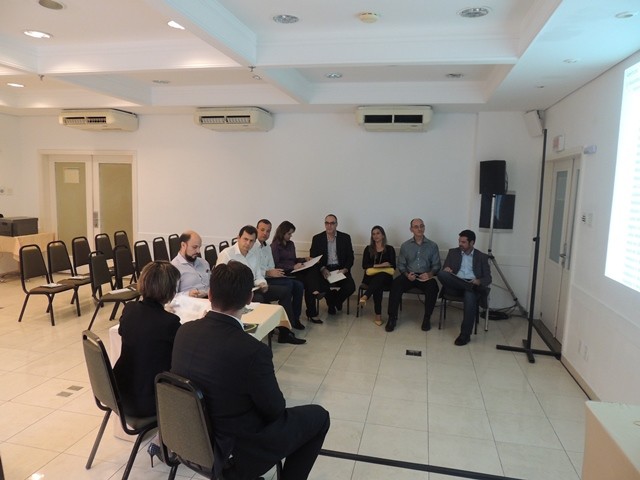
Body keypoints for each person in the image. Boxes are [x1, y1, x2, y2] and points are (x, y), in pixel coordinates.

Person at [171, 262, 330, 480]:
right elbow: (275, 410)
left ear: (210, 294)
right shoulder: (252, 350)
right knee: (319, 417)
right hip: (232, 453)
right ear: (249, 298)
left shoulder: (184, 332)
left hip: (189, 440)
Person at [113, 260, 181, 417]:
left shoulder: (129, 309)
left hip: (119, 392)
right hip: (149, 401)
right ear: (170, 290)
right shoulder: (169, 322)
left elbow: (125, 332)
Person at [217, 225, 305, 345]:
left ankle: (285, 333)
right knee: (259, 298)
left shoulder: (253, 255)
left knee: (285, 291)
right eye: (245, 239)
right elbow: (219, 279)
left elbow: (258, 275)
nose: (248, 243)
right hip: (237, 292)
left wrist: (262, 283)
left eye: (251, 241)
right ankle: (256, 334)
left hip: (254, 288)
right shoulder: (227, 254)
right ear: (238, 238)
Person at [437, 229, 491, 346]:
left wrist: (478, 281)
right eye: (459, 241)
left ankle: (465, 335)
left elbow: (488, 278)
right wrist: (447, 269)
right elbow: (445, 269)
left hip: (472, 285)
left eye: (463, 242)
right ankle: (469, 287)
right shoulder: (453, 252)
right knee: (441, 274)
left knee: (470, 295)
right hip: (455, 285)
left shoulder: (481, 257)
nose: (460, 244)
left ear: (472, 243)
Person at [386, 218, 441, 332]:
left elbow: (437, 265)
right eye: (416, 227)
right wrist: (407, 275)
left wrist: (430, 274)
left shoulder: (432, 246)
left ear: (424, 227)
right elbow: (401, 265)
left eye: (421, 226)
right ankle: (392, 318)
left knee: (433, 287)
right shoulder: (405, 246)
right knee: (395, 284)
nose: (419, 229)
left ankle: (427, 318)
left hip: (425, 276)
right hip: (409, 275)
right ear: (411, 229)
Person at [254, 219, 305, 330]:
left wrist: (274, 272)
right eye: (262, 230)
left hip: (269, 277)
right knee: (288, 285)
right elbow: (252, 270)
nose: (265, 233)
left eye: (268, 231)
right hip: (260, 280)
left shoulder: (267, 247)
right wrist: (268, 272)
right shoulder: (252, 247)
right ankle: (287, 324)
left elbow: (272, 265)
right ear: (256, 230)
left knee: (299, 285)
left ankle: (295, 318)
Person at [271, 220, 325, 324]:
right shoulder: (274, 246)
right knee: (309, 283)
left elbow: (293, 259)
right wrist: (292, 266)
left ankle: (314, 294)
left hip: (295, 270)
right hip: (285, 272)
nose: (291, 236)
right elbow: (276, 264)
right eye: (289, 234)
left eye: (291, 234)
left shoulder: (291, 244)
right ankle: (312, 304)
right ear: (282, 233)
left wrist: (305, 259)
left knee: (312, 269)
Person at [309, 214, 356, 315]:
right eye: (327, 223)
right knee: (321, 285)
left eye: (332, 223)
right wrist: (322, 269)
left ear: (336, 224)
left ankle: (333, 302)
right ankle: (334, 303)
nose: (329, 226)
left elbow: (350, 257)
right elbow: (313, 257)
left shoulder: (345, 238)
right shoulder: (317, 238)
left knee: (351, 287)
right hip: (325, 269)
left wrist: (345, 269)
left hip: (340, 269)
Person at [359, 226, 396, 326]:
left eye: (378, 233)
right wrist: (380, 265)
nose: (376, 236)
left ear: (383, 235)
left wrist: (380, 267)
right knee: (378, 284)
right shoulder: (368, 249)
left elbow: (393, 266)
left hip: (386, 278)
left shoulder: (390, 249)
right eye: (373, 234)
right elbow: (364, 265)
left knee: (381, 276)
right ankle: (378, 316)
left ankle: (366, 296)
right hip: (370, 278)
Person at [171, 230, 210, 298]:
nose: (198, 251)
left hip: (210, 300)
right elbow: (171, 296)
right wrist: (188, 294)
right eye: (194, 247)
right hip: (190, 302)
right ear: (183, 245)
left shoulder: (204, 262)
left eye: (199, 247)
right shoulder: (173, 267)